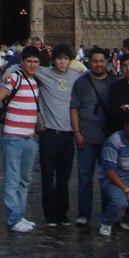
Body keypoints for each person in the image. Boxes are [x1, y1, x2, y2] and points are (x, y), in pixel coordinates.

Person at [0, 44, 41, 232]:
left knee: (24, 179)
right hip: (13, 137)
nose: (32, 65)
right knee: (12, 180)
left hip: (30, 138)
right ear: (22, 62)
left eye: (36, 62)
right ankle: (13, 218)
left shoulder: (36, 80)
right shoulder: (14, 78)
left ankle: (19, 215)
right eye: (29, 62)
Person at [33, 43, 80, 226]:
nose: (62, 62)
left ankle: (62, 212)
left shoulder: (76, 77)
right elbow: (22, 65)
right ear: (53, 61)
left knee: (64, 176)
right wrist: (8, 70)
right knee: (47, 175)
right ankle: (49, 212)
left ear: (70, 61)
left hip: (68, 135)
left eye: (65, 59)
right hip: (49, 134)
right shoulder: (44, 73)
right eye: (59, 58)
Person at [71, 46, 117, 226]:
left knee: (108, 176)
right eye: (95, 61)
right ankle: (84, 213)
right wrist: (77, 133)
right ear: (88, 62)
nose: (98, 64)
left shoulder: (114, 82)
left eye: (101, 61)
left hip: (108, 138)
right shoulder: (81, 83)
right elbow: (74, 108)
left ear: (107, 62)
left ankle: (108, 213)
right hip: (86, 136)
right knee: (84, 177)